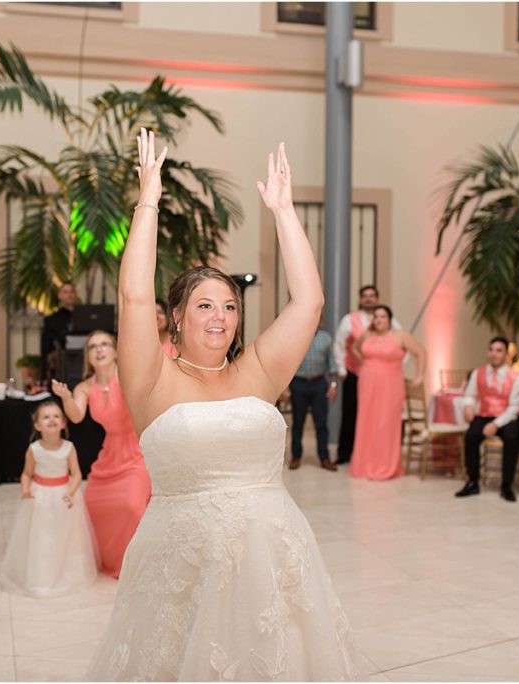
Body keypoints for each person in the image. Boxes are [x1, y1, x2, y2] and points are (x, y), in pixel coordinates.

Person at [86, 132, 363, 680]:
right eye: (205, 305)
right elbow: (134, 296)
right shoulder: (151, 379)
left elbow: (309, 301)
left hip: (271, 561)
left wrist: (284, 211)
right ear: (177, 316)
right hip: (183, 567)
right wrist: (148, 201)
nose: (220, 316)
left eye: (231, 305)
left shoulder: (258, 371)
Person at [52, 330, 150, 578]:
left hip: (137, 450)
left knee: (131, 505)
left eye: (105, 344)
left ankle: (138, 565)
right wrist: (65, 396)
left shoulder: (129, 377)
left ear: (116, 351)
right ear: (88, 356)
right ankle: (109, 560)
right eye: (93, 346)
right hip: (110, 453)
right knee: (92, 504)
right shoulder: (86, 387)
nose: (99, 349)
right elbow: (75, 415)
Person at [0, 400, 98, 597]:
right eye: (46, 417)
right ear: (37, 426)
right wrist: (26, 488)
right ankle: (40, 576)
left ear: (63, 423)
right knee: (42, 536)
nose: (51, 420)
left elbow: (77, 474)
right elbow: (27, 473)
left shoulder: (69, 448)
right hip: (41, 496)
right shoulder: (34, 449)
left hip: (63, 496)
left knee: (66, 535)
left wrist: (70, 492)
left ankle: (67, 572)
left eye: (56, 416)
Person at [348, 306, 425, 481]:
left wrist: (420, 376)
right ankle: (364, 464)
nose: (379, 319)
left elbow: (421, 352)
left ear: (390, 319)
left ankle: (386, 466)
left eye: (383, 316)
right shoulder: (367, 335)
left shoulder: (401, 335)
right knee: (366, 421)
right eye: (376, 316)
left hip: (391, 383)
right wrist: (366, 363)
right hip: (367, 382)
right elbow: (354, 348)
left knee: (386, 423)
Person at [333, 285, 401, 464]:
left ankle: (376, 454)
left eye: (372, 296)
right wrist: (341, 370)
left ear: (378, 298)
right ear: (360, 299)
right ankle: (345, 454)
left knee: (378, 414)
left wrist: (394, 368)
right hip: (354, 374)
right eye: (365, 296)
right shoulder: (349, 320)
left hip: (382, 378)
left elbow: (401, 345)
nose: (369, 299)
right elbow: (339, 345)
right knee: (351, 414)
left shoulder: (390, 322)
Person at [455, 336, 519, 502]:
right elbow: (470, 395)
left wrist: (496, 424)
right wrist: (468, 406)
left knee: (511, 437)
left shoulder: (517, 378)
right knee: (471, 437)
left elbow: (515, 407)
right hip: (485, 414)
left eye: (499, 351)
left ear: (506, 355)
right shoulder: (477, 373)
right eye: (491, 350)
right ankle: (473, 481)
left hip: (506, 417)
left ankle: (506, 485)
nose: (494, 354)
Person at [285, 317, 338, 471]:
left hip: (319, 384)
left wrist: (333, 385)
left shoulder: (325, 338)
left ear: (319, 321)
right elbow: (287, 364)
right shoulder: (294, 339)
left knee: (321, 424)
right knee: (298, 423)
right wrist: (284, 388)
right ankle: (296, 456)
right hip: (298, 384)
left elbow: (332, 364)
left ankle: (324, 458)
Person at [41, 281, 78, 380]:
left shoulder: (86, 316)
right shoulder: (51, 320)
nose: (69, 295)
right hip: (62, 366)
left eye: (72, 292)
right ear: (59, 296)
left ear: (76, 295)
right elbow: (46, 348)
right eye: (65, 292)